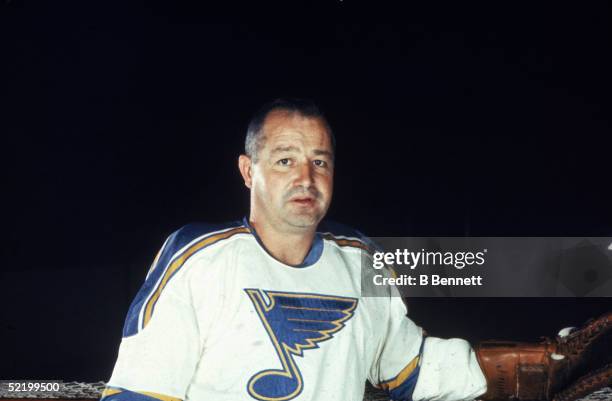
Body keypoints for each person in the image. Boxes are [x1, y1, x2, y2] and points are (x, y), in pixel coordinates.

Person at [102, 99, 610, 401]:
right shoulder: (199, 258)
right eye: (284, 160)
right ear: (246, 170)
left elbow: (409, 368)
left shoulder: (358, 262)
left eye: (319, 162)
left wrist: (530, 365)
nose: (305, 177)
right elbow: (139, 391)